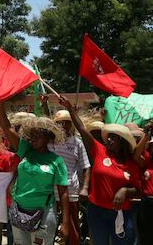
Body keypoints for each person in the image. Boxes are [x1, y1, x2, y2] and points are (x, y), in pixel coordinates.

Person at [59, 96, 141, 245]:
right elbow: (82, 129)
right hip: (97, 212)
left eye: (113, 138)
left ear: (122, 142)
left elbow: (138, 190)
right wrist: (69, 108)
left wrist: (125, 191)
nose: (108, 140)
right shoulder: (100, 151)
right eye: (108, 137)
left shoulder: (132, 164)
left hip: (122, 214)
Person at [0, 102, 70, 245]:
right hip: (18, 209)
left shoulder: (57, 161)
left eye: (38, 135)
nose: (33, 138)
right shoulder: (24, 149)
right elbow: (7, 127)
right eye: (32, 134)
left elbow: (63, 192)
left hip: (45, 212)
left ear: (48, 137)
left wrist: (65, 222)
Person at [50, 110, 91, 245]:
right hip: (49, 191)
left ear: (71, 124)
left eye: (66, 122)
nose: (62, 125)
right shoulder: (48, 141)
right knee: (49, 228)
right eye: (59, 122)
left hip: (71, 191)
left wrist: (84, 188)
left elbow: (86, 166)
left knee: (72, 229)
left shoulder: (77, 142)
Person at [132, 122, 153, 245]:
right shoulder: (147, 161)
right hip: (147, 204)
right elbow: (135, 155)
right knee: (145, 238)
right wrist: (146, 135)